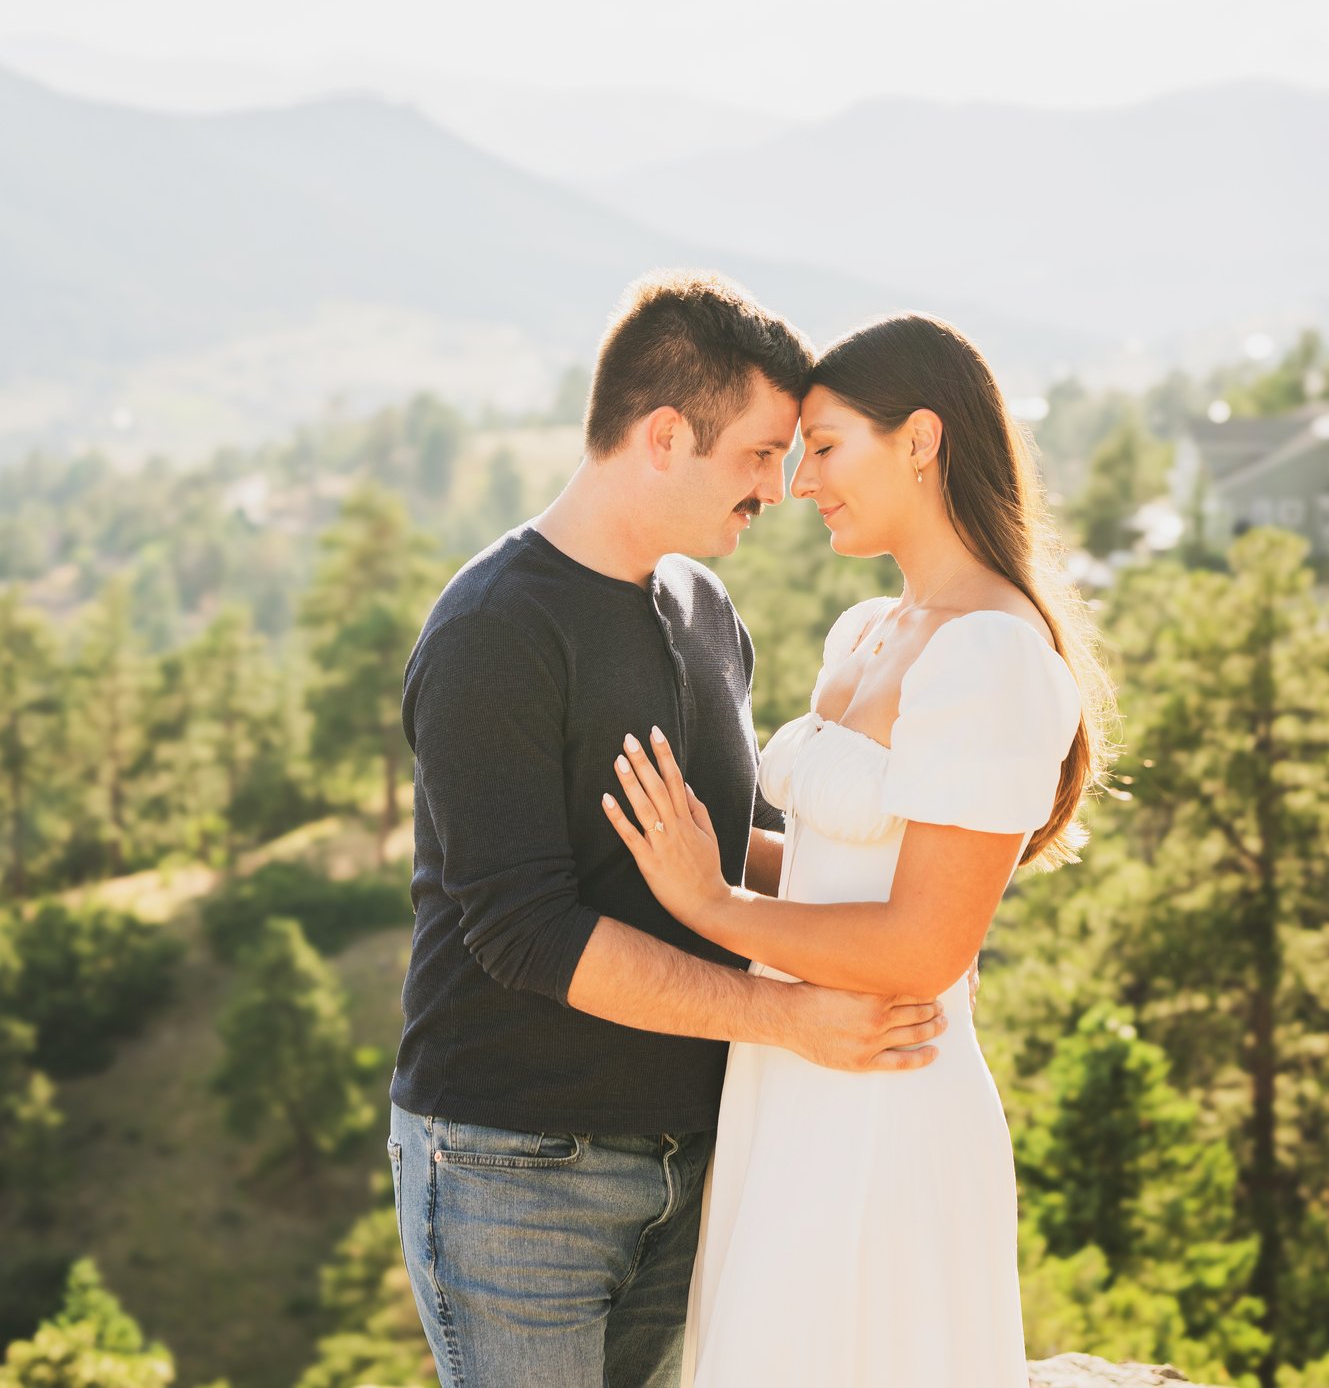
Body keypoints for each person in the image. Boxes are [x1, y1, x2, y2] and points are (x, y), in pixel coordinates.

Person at [388, 270, 952, 1388]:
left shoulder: (701, 608)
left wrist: (912, 904)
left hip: (694, 1157)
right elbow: (524, 931)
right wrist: (788, 1018)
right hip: (518, 1168)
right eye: (755, 455)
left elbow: (722, 848)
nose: (779, 488)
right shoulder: (493, 632)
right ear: (660, 436)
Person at [605, 311, 1113, 1388]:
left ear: (921, 440)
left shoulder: (992, 655)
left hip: (886, 1089)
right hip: (788, 1074)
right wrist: (697, 854)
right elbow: (849, 872)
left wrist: (717, 908)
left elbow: (924, 943)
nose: (798, 482)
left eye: (826, 448)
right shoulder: (865, 630)